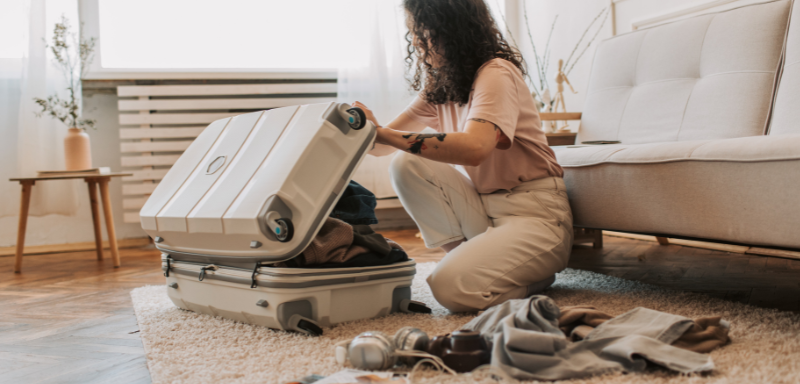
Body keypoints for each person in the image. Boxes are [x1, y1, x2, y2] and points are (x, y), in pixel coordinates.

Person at [353, 0, 573, 313]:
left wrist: (384, 133)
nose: (416, 42)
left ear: (451, 29)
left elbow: (475, 149)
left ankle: (532, 279)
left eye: (422, 32)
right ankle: (467, 260)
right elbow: (382, 147)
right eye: (412, 33)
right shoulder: (441, 86)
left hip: (535, 213)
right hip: (483, 209)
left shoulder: (496, 72)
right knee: (407, 162)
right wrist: (362, 127)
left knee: (450, 290)